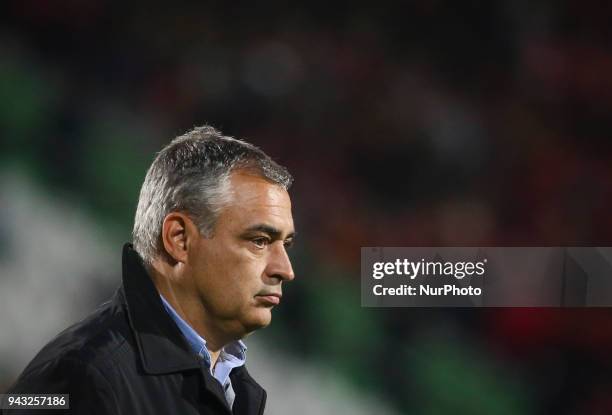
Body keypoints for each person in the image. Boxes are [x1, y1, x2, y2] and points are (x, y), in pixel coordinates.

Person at [4, 126, 296, 415]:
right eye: (260, 241)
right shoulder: (85, 375)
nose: (285, 270)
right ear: (179, 240)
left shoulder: (235, 388)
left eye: (286, 244)